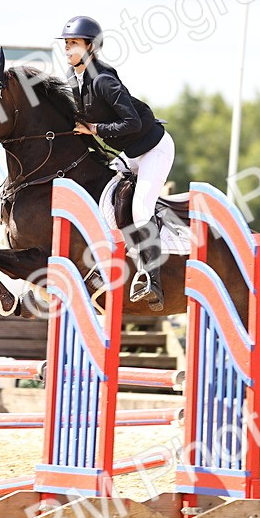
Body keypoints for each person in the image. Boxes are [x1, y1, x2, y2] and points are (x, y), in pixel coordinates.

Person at [60, 15, 175, 310]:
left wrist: (95, 129)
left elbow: (132, 122)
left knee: (140, 208)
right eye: (67, 44)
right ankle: (107, 262)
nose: (67, 49)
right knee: (106, 201)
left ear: (90, 46)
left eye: (73, 44)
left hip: (153, 148)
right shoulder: (75, 79)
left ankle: (153, 282)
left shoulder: (103, 79)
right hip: (130, 153)